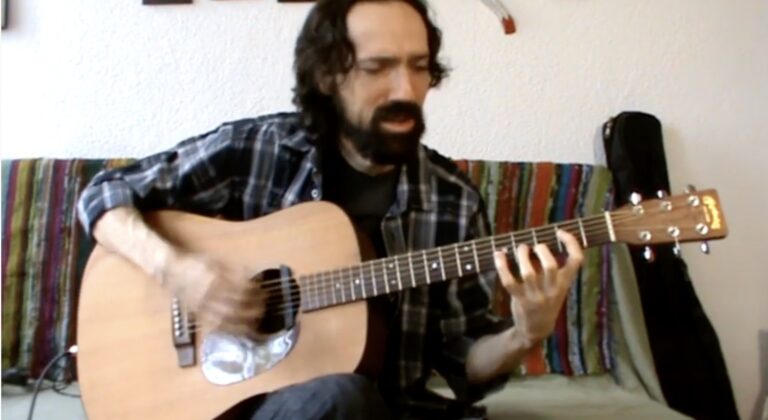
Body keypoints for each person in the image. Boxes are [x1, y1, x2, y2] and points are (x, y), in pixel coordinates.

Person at [76, 0, 584, 418]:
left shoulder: (452, 200)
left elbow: (463, 366)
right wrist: (179, 271)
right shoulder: (259, 149)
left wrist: (525, 333)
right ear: (325, 75)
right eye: (377, 67)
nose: (406, 90)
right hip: (243, 407)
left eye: (419, 67)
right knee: (341, 397)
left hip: (382, 408)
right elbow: (103, 196)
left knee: (349, 398)